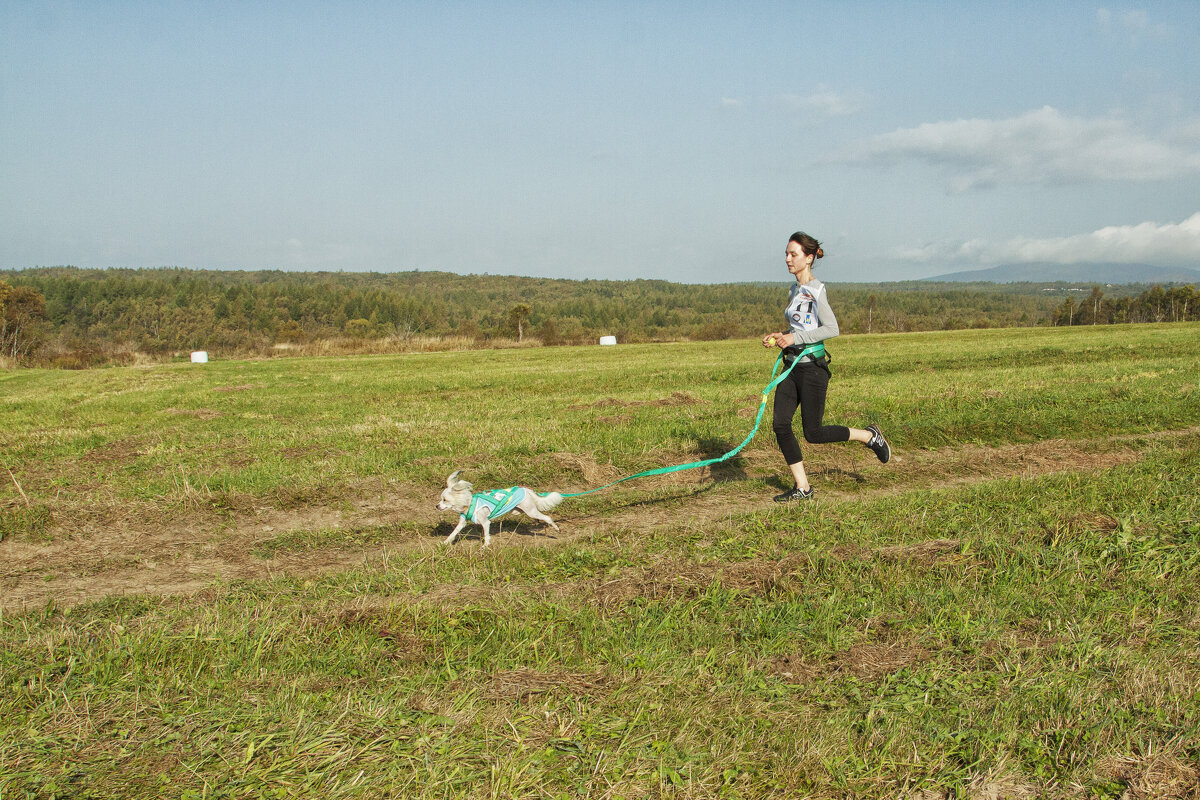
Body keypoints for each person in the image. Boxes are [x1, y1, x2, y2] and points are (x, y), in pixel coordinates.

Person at [761, 231, 890, 501]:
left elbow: (831, 329)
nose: (787, 259)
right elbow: (801, 326)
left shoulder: (816, 290)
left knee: (814, 433)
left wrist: (794, 337)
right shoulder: (794, 289)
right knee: (780, 425)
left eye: (793, 254)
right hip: (791, 367)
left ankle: (869, 436)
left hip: (812, 370)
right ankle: (803, 488)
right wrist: (781, 335)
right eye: (786, 253)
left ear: (808, 259)